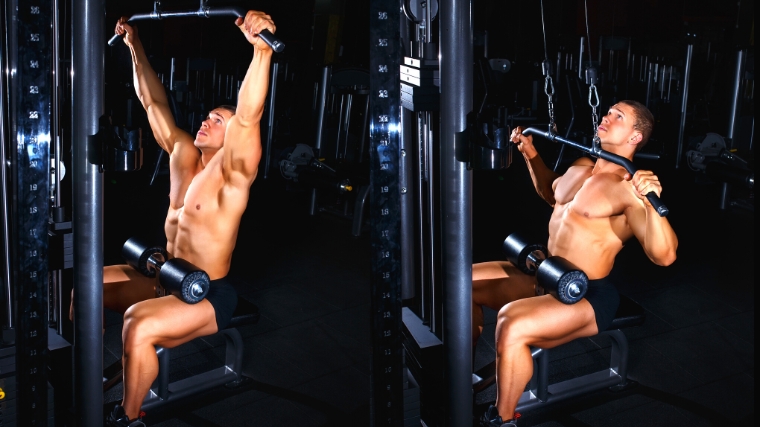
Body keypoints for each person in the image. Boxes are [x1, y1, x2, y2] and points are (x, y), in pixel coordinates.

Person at [69, 10, 276, 427]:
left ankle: (129, 418)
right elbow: (152, 101)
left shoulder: (233, 174)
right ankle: (87, 374)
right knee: (82, 286)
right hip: (165, 272)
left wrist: (261, 52)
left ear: (233, 136)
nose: (207, 120)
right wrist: (134, 45)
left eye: (218, 120)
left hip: (207, 292)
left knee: (137, 323)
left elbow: (249, 114)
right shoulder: (183, 155)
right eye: (208, 115)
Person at [474, 100, 678, 427]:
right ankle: (466, 380)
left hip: (586, 294)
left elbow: (664, 255)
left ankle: (502, 420)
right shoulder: (583, 165)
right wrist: (530, 153)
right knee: (464, 283)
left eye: (618, 116)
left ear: (635, 137)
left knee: (511, 323)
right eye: (607, 112)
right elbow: (550, 193)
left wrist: (651, 203)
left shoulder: (629, 190)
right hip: (546, 273)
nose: (606, 117)